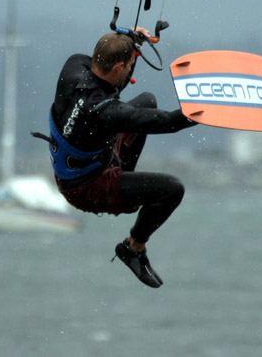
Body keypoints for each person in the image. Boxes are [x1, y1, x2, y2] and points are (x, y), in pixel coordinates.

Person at [38, 28, 196, 288]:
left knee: (147, 101)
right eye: (131, 64)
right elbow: (168, 122)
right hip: (85, 186)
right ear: (120, 66)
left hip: (88, 158)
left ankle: (125, 183)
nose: (131, 68)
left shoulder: (74, 65)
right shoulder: (103, 111)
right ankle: (133, 248)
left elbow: (115, 80)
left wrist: (131, 41)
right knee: (172, 190)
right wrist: (204, 111)